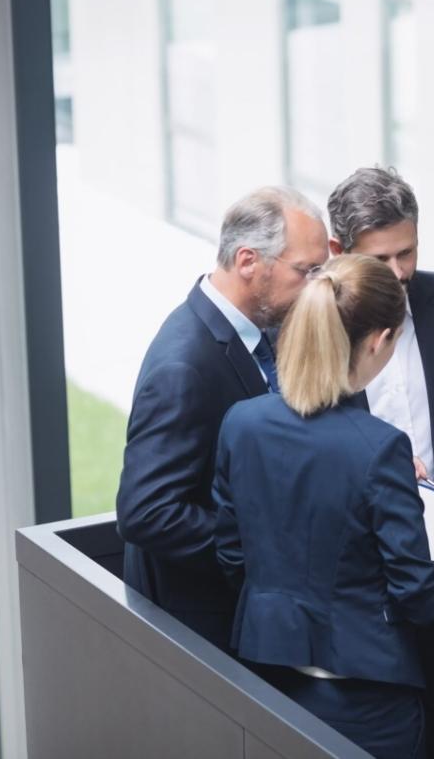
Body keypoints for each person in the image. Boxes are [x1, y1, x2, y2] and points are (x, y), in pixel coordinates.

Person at [212, 254, 434, 758]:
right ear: (379, 340)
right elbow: (417, 595)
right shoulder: (380, 447)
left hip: (269, 672)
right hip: (365, 695)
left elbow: (231, 552)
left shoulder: (241, 423)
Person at [327, 166, 434, 759]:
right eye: (382, 259)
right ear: (338, 252)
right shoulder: (313, 324)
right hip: (363, 584)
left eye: (409, 251)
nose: (400, 272)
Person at [115, 187, 329, 648]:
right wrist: (262, 550)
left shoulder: (263, 329)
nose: (315, 286)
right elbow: (147, 512)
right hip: (206, 626)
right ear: (249, 261)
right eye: (305, 271)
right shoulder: (183, 367)